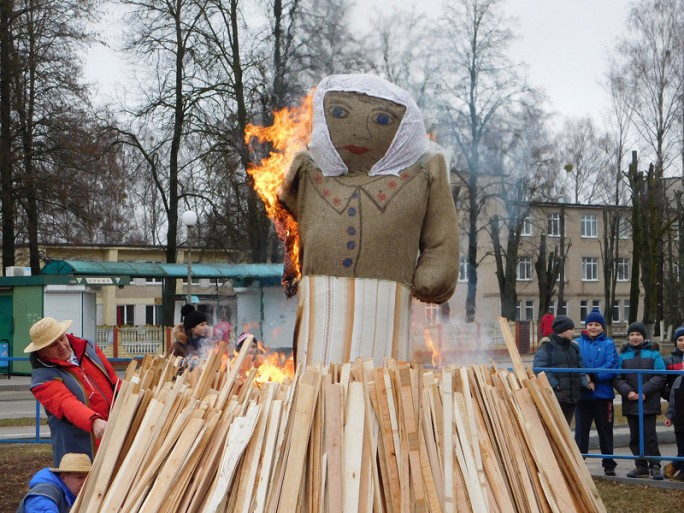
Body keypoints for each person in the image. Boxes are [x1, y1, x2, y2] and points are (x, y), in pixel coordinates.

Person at [278, 73, 459, 366]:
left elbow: (441, 233)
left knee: (380, 395)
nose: (360, 132)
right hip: (318, 319)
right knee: (319, 393)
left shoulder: (423, 173)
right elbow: (285, 214)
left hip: (386, 320)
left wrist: (436, 269)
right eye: (339, 113)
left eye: (382, 120)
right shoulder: (309, 171)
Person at [25, 317, 119, 466]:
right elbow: (66, 403)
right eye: (52, 345)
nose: (61, 346)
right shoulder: (42, 380)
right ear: (41, 352)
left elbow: (113, 380)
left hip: (114, 435)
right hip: (80, 450)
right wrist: (94, 421)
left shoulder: (89, 348)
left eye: (61, 339)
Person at [613, 321, 666, 479]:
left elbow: (660, 375)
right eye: (632, 335)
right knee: (635, 435)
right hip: (631, 402)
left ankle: (655, 465)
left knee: (649, 434)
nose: (635, 338)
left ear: (644, 336)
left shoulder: (654, 354)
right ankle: (640, 465)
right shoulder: (623, 356)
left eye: (638, 334)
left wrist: (644, 391)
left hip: (648, 401)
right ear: (628, 337)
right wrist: (628, 392)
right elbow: (617, 378)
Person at [574, 310, 619, 476]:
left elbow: (611, 366)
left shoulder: (608, 344)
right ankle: (580, 461)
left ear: (602, 327)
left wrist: (593, 376)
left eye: (597, 324)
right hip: (583, 395)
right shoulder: (577, 343)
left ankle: (609, 463)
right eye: (590, 324)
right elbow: (575, 365)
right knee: (581, 430)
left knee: (605, 430)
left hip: (603, 395)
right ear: (586, 326)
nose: (593, 327)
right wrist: (585, 379)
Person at [532, 315, 589, 425]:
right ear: (561, 329)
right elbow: (539, 368)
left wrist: (583, 383)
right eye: (570, 329)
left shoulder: (574, 347)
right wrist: (555, 385)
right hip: (556, 396)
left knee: (566, 426)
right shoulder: (547, 346)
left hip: (572, 395)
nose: (573, 332)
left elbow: (580, 367)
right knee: (555, 427)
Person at [16, 452, 91, 513]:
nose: (85, 482)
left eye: (88, 478)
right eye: (80, 477)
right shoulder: (45, 493)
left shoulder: (73, 493)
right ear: (63, 477)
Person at [664, 371, 684, 481]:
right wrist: (669, 416)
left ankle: (675, 467)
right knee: (681, 449)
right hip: (680, 422)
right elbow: (673, 401)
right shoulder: (678, 381)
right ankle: (674, 466)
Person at [663, 325, 684, 401]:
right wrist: (670, 396)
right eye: (680, 340)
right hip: (675, 402)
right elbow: (661, 382)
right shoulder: (667, 360)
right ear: (676, 342)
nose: (683, 343)